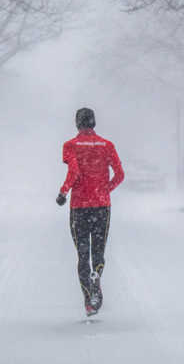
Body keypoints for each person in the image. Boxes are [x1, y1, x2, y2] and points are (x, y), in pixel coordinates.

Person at [57, 107, 124, 316]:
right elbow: (120, 174)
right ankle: (98, 272)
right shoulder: (107, 145)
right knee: (98, 251)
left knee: (82, 254)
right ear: (94, 122)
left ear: (77, 123)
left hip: (79, 207)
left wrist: (63, 191)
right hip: (102, 207)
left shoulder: (70, 146)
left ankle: (89, 300)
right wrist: (105, 189)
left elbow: (74, 171)